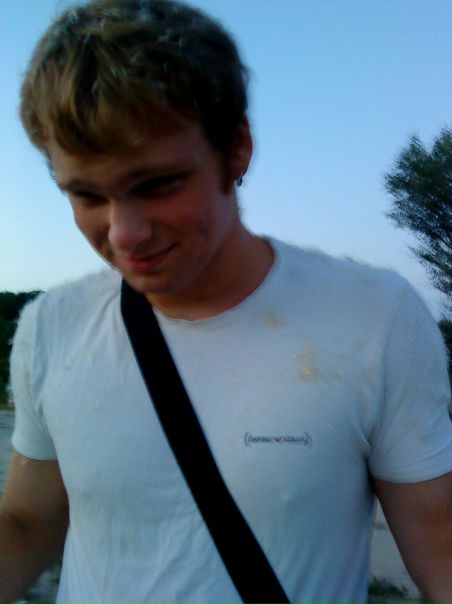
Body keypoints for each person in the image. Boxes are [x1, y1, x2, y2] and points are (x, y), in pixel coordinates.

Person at [1, 1, 451, 602]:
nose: (124, 234)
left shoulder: (378, 320)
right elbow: (27, 522)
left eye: (158, 184)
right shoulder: (51, 327)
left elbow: (440, 547)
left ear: (237, 148)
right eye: (86, 195)